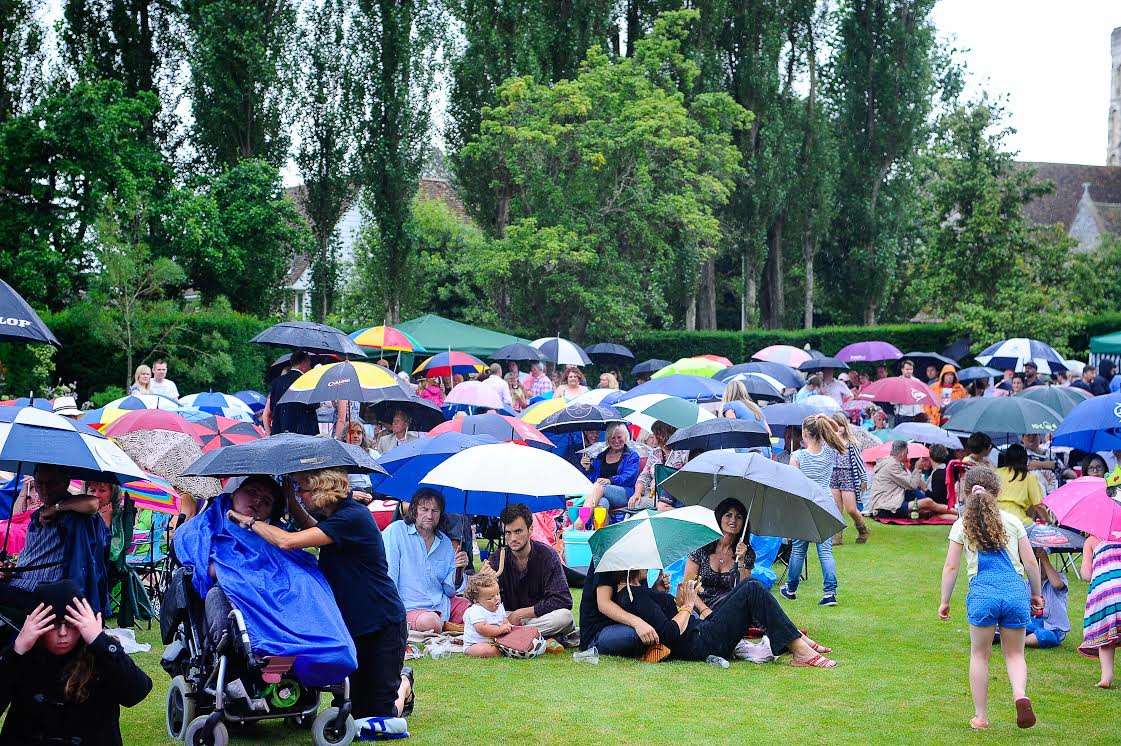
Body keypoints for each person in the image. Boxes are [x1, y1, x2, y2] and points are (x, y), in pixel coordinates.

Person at [233, 467, 412, 719]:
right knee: (351, 708)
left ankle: (404, 683)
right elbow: (312, 527)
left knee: (378, 714)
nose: (300, 494)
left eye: (301, 489)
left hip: (381, 624)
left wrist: (251, 522)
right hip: (351, 624)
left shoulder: (353, 517)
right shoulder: (337, 518)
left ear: (320, 490)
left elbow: (287, 541)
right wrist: (291, 500)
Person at [938, 466, 1042, 730]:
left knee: (980, 655)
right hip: (1015, 592)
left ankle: (981, 717)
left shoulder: (961, 525)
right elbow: (1030, 562)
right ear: (997, 492)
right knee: (1015, 654)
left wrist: (945, 601)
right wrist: (1036, 594)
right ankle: (1020, 694)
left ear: (966, 493)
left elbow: (951, 567)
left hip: (983, 594)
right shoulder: (1013, 522)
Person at [0, 580, 153, 745]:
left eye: (71, 625)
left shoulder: (100, 656)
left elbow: (137, 692)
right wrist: (15, 652)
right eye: (53, 625)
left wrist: (101, 642)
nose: (63, 633)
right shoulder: (23, 657)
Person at [605, 570, 837, 667]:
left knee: (749, 583)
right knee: (753, 589)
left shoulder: (637, 591)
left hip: (701, 631)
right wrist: (688, 604)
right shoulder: (631, 596)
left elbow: (662, 614)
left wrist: (666, 594)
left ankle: (795, 639)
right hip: (701, 643)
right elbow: (669, 634)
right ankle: (800, 650)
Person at [0, 465, 105, 613]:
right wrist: (10, 568)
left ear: (65, 482)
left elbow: (93, 503)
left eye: (51, 483)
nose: (44, 489)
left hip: (42, 591)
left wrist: (57, 508)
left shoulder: (72, 512)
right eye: (39, 483)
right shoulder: (38, 515)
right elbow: (30, 557)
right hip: (20, 581)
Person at [381, 490, 469, 633]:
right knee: (431, 622)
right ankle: (445, 625)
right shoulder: (396, 531)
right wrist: (393, 613)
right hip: (409, 608)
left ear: (440, 514)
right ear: (414, 510)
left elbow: (449, 590)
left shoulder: (445, 542)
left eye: (435, 511)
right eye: (424, 509)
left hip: (441, 605)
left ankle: (447, 624)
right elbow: (388, 578)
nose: (429, 515)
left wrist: (459, 569)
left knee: (475, 612)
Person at [487, 504, 575, 640]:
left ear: (530, 530)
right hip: (507, 617)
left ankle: (509, 635)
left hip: (539, 616)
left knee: (564, 617)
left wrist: (522, 613)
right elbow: (480, 600)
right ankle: (519, 635)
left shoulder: (547, 555)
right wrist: (481, 580)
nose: (512, 539)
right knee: (481, 617)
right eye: (508, 533)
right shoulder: (499, 557)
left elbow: (563, 600)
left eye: (518, 531)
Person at [780, 414, 843, 606]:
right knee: (825, 551)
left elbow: (791, 484)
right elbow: (839, 431)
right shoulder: (830, 452)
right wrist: (825, 419)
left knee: (799, 550)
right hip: (825, 503)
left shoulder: (797, 456)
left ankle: (791, 589)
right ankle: (830, 593)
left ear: (805, 434)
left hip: (805, 505)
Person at [683, 498, 754, 607]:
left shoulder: (746, 553)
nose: (733, 520)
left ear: (743, 523)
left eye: (738, 517)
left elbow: (745, 591)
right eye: (728, 515)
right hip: (697, 606)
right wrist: (704, 611)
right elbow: (688, 586)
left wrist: (741, 561)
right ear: (719, 518)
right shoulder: (701, 546)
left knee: (757, 593)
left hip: (728, 607)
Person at [868, 440, 956, 521]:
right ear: (903, 453)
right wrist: (917, 469)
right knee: (928, 503)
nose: (907, 456)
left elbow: (909, 485)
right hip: (888, 506)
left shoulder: (889, 462)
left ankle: (957, 515)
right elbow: (912, 485)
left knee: (928, 509)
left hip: (887, 503)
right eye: (907, 453)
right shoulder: (892, 465)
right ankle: (958, 513)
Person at [1079, 531, 1121, 688]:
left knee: (1105, 639)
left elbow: (1085, 574)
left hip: (1104, 591)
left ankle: (1106, 677)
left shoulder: (1091, 541)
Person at [827, 411, 869, 544]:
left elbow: (859, 462)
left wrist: (863, 479)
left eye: (840, 425)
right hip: (834, 476)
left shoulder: (851, 444)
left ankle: (862, 528)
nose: (838, 429)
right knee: (836, 508)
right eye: (835, 426)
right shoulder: (829, 443)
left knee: (851, 508)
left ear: (845, 426)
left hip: (848, 476)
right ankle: (837, 536)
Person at [580, 423, 641, 510]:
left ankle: (581, 519)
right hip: (599, 492)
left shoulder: (632, 456)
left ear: (625, 437)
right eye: (613, 437)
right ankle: (601, 523)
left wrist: (610, 480)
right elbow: (593, 480)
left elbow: (628, 478)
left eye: (619, 437)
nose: (616, 441)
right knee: (602, 503)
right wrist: (587, 469)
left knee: (599, 486)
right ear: (608, 439)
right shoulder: (600, 456)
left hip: (624, 492)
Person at [630, 421, 688, 509]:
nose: (652, 436)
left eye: (655, 434)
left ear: (663, 435)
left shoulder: (683, 453)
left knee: (639, 505)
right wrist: (637, 493)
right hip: (652, 495)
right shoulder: (655, 452)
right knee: (634, 503)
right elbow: (644, 475)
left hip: (674, 496)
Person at [262, 351, 318, 436]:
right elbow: (315, 404)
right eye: (309, 364)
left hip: (280, 432)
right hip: (303, 434)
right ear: (304, 363)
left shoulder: (277, 382)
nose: (310, 368)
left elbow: (272, 407)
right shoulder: (306, 381)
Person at [461, 567, 511, 658]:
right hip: (476, 644)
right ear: (476, 601)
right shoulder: (475, 610)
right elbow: (481, 629)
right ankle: (501, 651)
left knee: (514, 639)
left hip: (496, 640)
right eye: (490, 598)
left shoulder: (499, 606)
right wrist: (500, 630)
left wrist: (508, 626)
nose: (496, 598)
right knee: (489, 650)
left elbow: (504, 621)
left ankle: (505, 648)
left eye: (497, 594)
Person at [1026, 547, 1068, 649]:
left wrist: (1044, 559)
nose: (1037, 570)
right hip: (1034, 623)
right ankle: (1010, 635)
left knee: (1044, 636)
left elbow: (1057, 584)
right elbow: (1025, 613)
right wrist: (1032, 610)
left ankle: (1018, 640)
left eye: (1039, 564)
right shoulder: (1027, 584)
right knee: (1015, 624)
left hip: (1053, 628)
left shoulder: (1058, 578)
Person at [996, 445, 1046, 526]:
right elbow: (1038, 506)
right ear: (1025, 460)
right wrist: (1048, 521)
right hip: (1017, 520)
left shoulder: (996, 472)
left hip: (995, 516)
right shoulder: (1029, 477)